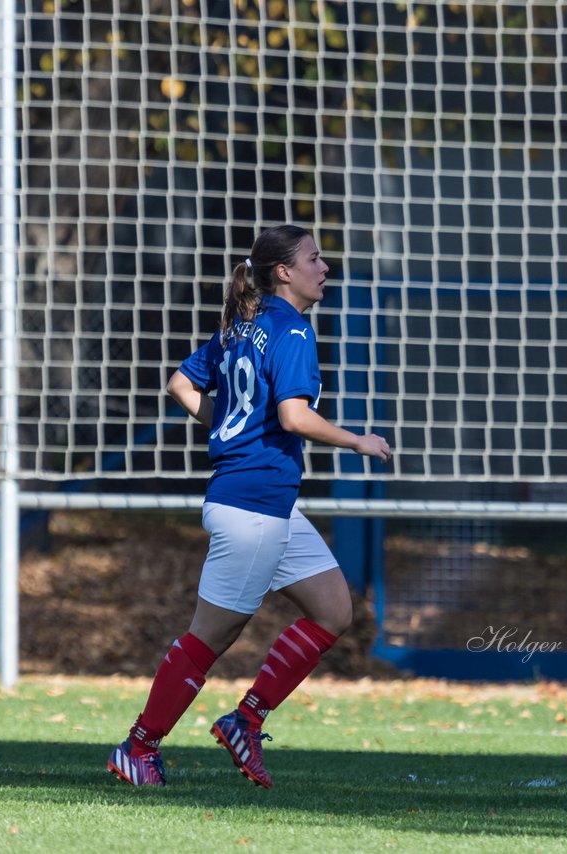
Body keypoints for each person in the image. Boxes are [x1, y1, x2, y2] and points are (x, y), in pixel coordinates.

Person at [107, 225, 392, 788]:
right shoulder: (293, 331)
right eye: (314, 258)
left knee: (334, 610)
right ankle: (137, 748)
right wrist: (357, 440)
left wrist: (229, 428)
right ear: (284, 272)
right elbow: (292, 417)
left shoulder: (244, 325)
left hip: (267, 505)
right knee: (209, 638)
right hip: (252, 506)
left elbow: (180, 385)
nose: (324, 267)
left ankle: (247, 718)